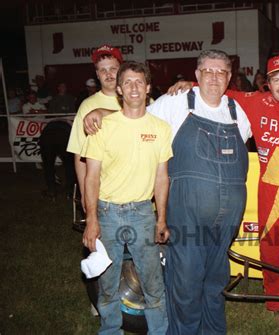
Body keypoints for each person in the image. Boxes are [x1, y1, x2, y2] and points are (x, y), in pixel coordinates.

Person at [83, 49, 252, 335]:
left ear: (229, 77)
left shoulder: (238, 111)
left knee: (215, 279)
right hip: (187, 213)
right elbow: (136, 114)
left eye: (220, 72)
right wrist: (102, 111)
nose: (213, 77)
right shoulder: (176, 102)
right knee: (186, 280)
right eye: (207, 71)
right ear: (197, 75)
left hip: (226, 220)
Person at [168, 55, 279, 334]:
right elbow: (216, 86)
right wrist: (189, 83)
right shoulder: (254, 101)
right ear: (267, 83)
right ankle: (277, 305)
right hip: (269, 195)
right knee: (270, 253)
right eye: (276, 79)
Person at [81, 61, 172, 334]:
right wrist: (91, 220)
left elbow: (161, 178)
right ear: (119, 89)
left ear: (148, 88)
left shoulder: (161, 128)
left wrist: (162, 219)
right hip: (107, 214)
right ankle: (110, 331)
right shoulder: (103, 127)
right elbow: (91, 177)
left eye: (139, 82)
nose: (134, 87)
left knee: (153, 284)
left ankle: (159, 332)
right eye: (128, 82)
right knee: (108, 286)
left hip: (143, 213)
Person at [67, 44, 123, 208]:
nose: (108, 74)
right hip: (105, 192)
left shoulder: (139, 97)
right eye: (103, 70)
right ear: (97, 74)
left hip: (141, 191)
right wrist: (85, 193)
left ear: (122, 69)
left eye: (113, 68)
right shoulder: (87, 106)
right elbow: (80, 153)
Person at [39, 120, 75, 200]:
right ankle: (69, 192)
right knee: (69, 165)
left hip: (47, 136)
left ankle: (51, 191)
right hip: (64, 136)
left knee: (48, 165)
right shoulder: (71, 125)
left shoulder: (50, 124)